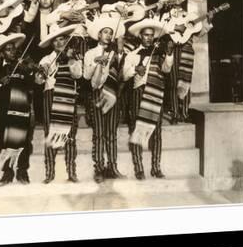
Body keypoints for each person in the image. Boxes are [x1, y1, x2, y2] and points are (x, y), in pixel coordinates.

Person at [121, 18, 175, 180]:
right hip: (139, 93)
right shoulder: (132, 55)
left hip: (156, 93)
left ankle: (156, 167)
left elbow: (166, 69)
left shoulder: (159, 53)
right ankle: (139, 168)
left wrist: (170, 54)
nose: (149, 38)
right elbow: (124, 75)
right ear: (140, 36)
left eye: (151, 35)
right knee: (137, 130)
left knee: (156, 132)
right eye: (146, 35)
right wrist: (135, 70)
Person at [45, 0, 97, 126]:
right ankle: (70, 115)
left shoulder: (90, 7)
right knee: (67, 78)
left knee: (85, 78)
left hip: (83, 42)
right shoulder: (63, 6)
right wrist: (63, 15)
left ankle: (90, 115)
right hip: (66, 43)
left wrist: (84, 20)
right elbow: (48, 20)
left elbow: (97, 29)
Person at [158, 0, 213, 123]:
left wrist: (209, 21)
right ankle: (175, 112)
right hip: (173, 48)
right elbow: (162, 28)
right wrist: (175, 27)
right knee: (173, 80)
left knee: (185, 80)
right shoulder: (165, 15)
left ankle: (184, 111)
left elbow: (198, 32)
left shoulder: (189, 15)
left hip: (187, 49)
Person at [35, 24, 83, 183]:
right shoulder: (46, 59)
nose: (58, 43)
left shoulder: (73, 56)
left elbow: (77, 75)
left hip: (68, 96)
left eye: (61, 39)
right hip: (51, 95)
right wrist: (42, 71)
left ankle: (71, 171)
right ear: (51, 43)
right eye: (55, 41)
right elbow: (38, 81)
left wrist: (70, 60)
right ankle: (50, 172)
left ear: (66, 40)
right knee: (50, 134)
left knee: (69, 135)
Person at [0, 33, 36, 185]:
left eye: (13, 49)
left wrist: (30, 71)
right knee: (4, 139)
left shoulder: (23, 67)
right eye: (8, 50)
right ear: (2, 52)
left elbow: (32, 85)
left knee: (24, 140)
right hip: (4, 110)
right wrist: (0, 83)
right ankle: (7, 172)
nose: (12, 52)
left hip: (22, 108)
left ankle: (22, 171)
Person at [84, 17, 127, 182]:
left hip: (113, 94)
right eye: (105, 32)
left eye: (110, 33)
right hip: (97, 94)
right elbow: (87, 76)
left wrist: (119, 53)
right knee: (99, 133)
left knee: (111, 133)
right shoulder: (90, 53)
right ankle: (99, 168)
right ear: (99, 34)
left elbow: (123, 74)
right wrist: (96, 62)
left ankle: (113, 167)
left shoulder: (116, 53)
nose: (108, 36)